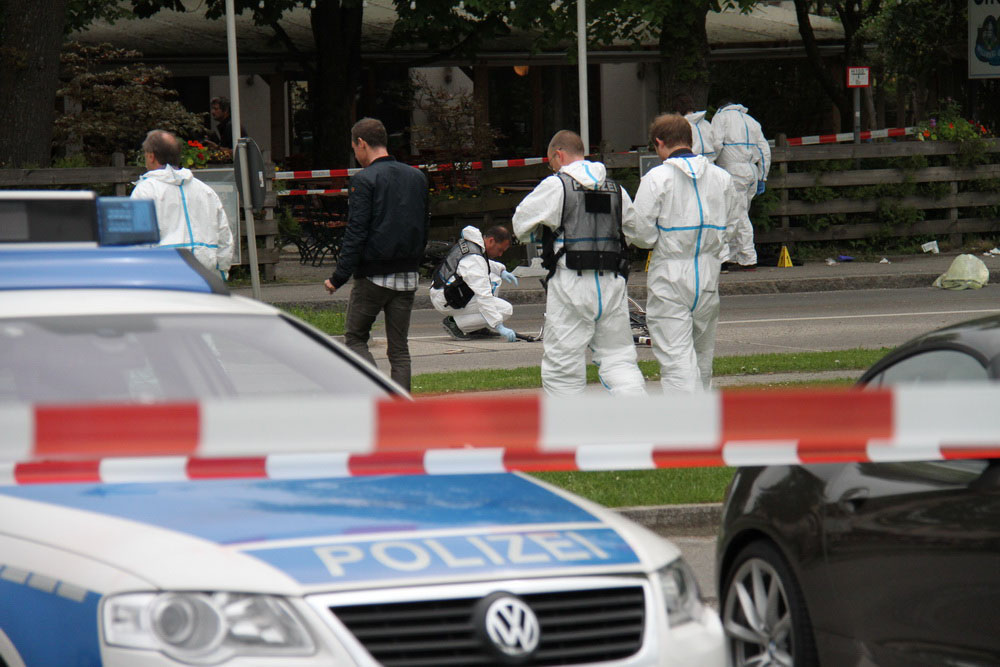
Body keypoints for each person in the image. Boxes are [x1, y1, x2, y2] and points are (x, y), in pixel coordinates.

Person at [512, 130, 647, 397]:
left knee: (562, 367)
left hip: (570, 282)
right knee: (618, 358)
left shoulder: (556, 186)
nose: (552, 168)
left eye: (551, 162)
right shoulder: (615, 189)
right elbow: (637, 232)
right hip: (611, 282)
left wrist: (541, 233)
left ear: (559, 155)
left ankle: (569, 421)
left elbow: (520, 224)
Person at [628, 113, 741, 392]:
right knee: (702, 357)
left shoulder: (657, 178)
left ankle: (684, 417)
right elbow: (733, 224)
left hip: (670, 274)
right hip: (708, 275)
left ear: (659, 142)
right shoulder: (721, 178)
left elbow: (640, 233)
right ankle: (701, 414)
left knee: (676, 358)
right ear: (690, 139)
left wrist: (659, 239)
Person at [323, 118, 429, 391]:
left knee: (355, 338)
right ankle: (401, 406)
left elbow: (356, 233)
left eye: (354, 148)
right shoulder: (417, 177)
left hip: (373, 275)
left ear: (361, 143)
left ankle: (378, 394)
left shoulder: (364, 180)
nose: (356, 154)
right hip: (408, 274)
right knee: (399, 349)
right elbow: (424, 225)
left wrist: (338, 277)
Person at [131, 129, 234, 279]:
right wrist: (221, 273)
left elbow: (137, 239)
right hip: (204, 274)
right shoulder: (205, 191)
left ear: (151, 156)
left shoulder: (145, 191)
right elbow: (224, 235)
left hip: (163, 276)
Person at [431, 225, 520, 342]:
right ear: (491, 241)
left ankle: (476, 328)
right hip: (448, 299)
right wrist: (498, 325)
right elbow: (483, 295)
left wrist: (501, 270)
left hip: (446, 291)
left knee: (494, 279)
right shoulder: (474, 258)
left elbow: (482, 263)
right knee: (505, 309)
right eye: (500, 250)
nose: (500, 255)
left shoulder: (472, 245)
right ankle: (454, 324)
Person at [712, 101, 770, 270]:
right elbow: (764, 150)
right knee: (738, 213)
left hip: (732, 171)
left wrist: (710, 163)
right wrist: (762, 176)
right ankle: (734, 255)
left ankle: (746, 257)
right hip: (751, 172)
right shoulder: (751, 120)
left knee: (736, 215)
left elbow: (716, 144)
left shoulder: (721, 118)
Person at [674, 94, 716, 163]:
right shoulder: (706, 124)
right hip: (710, 164)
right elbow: (716, 144)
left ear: (678, 110)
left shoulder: (681, 126)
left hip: (691, 164)